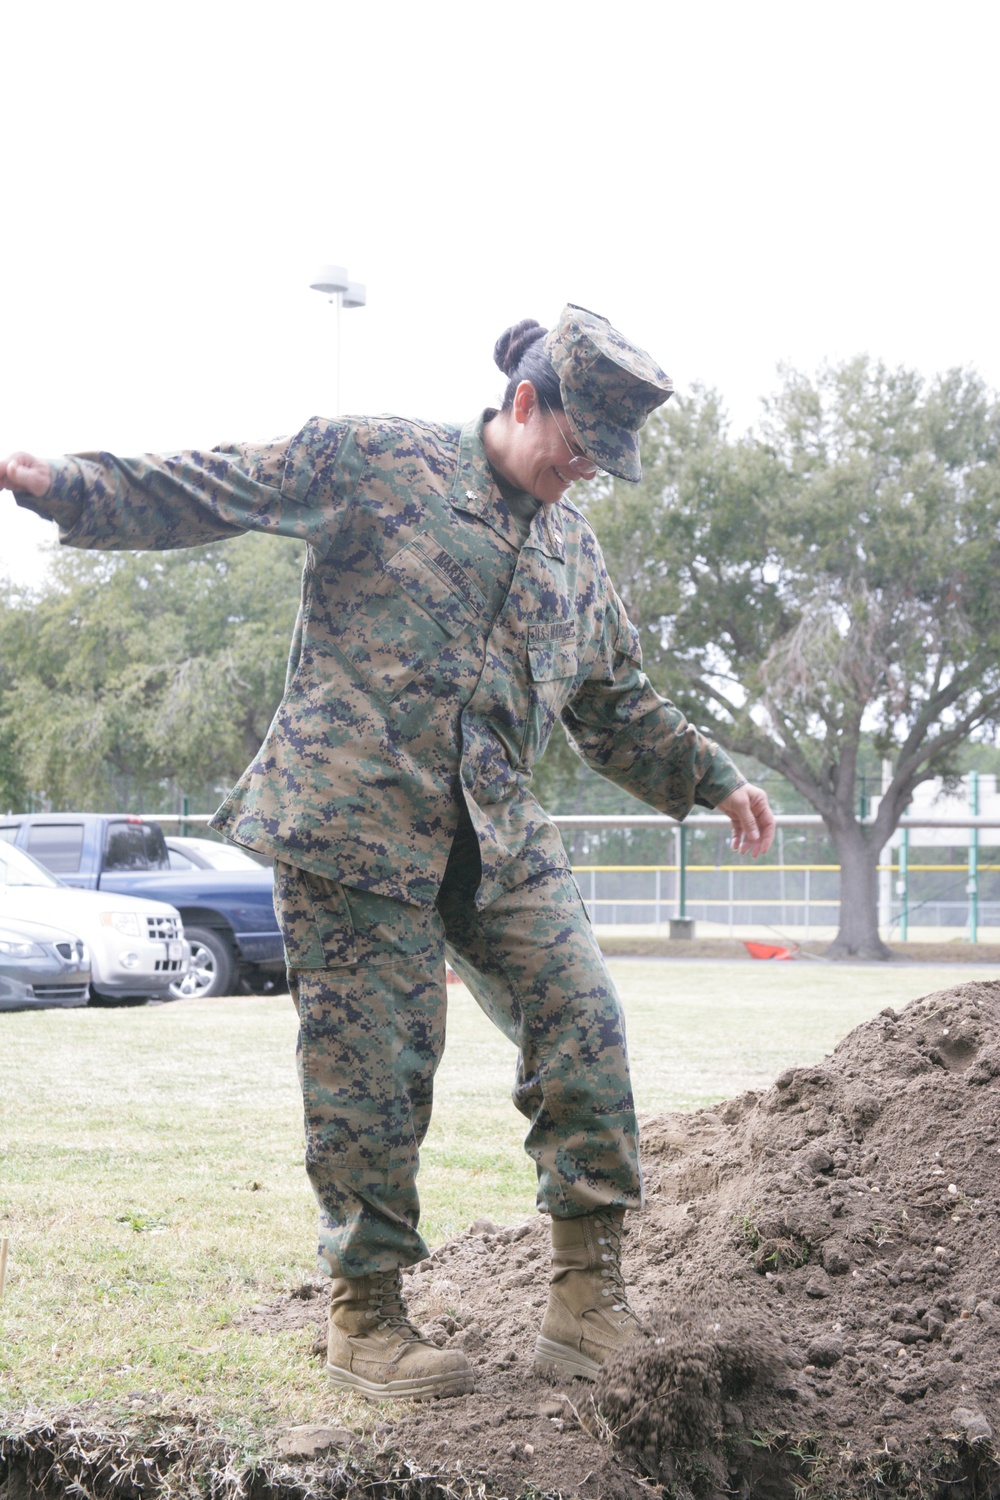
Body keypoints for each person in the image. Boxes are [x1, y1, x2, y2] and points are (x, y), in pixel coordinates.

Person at [2, 304, 775, 1400]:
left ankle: (584, 1303)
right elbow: (215, 485)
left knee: (584, 1020)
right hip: (351, 823)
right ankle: (366, 1321)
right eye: (576, 446)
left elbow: (612, 704)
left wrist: (714, 776)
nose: (583, 473)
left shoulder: (571, 548)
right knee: (376, 1075)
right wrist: (63, 486)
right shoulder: (377, 462)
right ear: (524, 402)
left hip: (494, 832)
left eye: (603, 462)